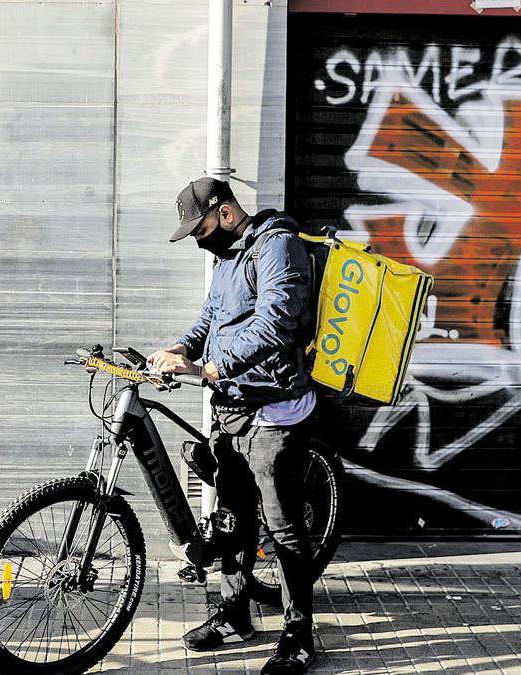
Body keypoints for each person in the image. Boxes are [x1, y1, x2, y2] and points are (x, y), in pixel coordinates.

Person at [149, 177, 318, 674]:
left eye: (200, 229)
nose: (198, 240)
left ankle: (298, 634)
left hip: (275, 411)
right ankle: (234, 613)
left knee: (283, 527)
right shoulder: (226, 258)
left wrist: (208, 370)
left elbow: (275, 324)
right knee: (234, 520)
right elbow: (211, 320)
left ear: (224, 213)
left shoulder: (277, 247)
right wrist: (181, 348)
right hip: (232, 410)